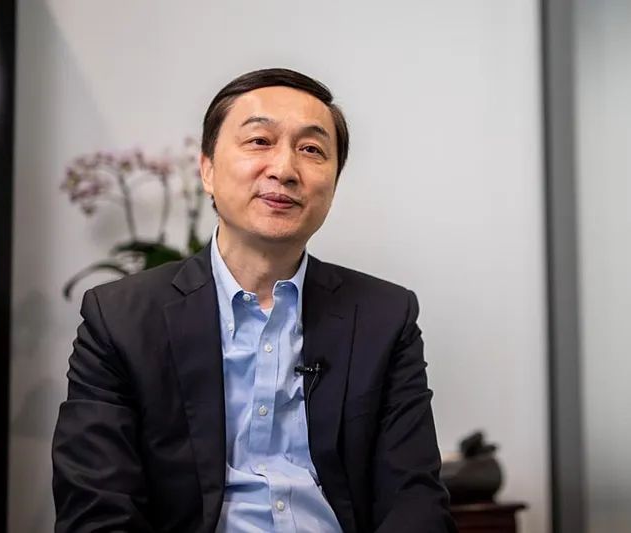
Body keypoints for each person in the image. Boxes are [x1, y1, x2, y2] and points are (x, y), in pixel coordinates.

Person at [52, 68, 455, 533]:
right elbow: (97, 510)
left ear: (333, 183)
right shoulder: (120, 320)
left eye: (311, 150)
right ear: (207, 169)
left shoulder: (384, 317)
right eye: (260, 141)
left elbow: (414, 499)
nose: (284, 169)